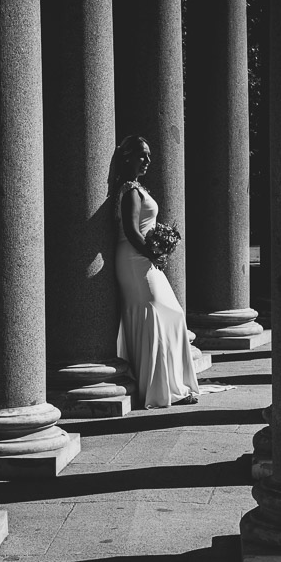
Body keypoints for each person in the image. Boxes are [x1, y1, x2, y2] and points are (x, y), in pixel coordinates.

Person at [112, 136, 200, 408]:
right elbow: (131, 231)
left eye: (149, 156)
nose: (148, 161)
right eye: (142, 155)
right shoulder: (129, 191)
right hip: (134, 259)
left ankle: (168, 384)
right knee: (159, 314)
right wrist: (154, 252)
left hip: (143, 258)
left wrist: (158, 245)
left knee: (171, 314)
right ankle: (159, 389)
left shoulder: (136, 188)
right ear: (127, 158)